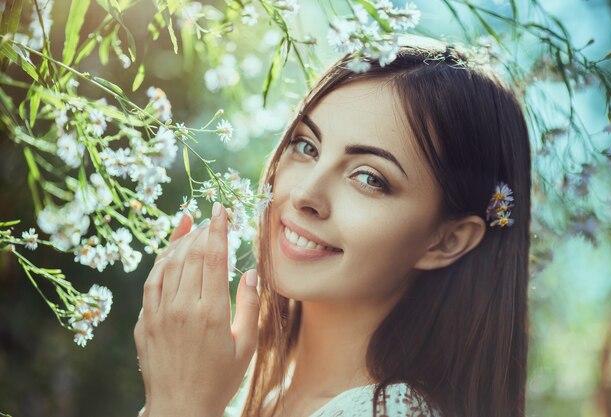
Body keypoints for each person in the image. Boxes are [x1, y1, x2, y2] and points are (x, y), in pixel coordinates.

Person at [133, 37, 531, 417]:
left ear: (446, 241)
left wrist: (179, 403)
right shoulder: (262, 398)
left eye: (370, 178)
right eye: (307, 146)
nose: (305, 194)